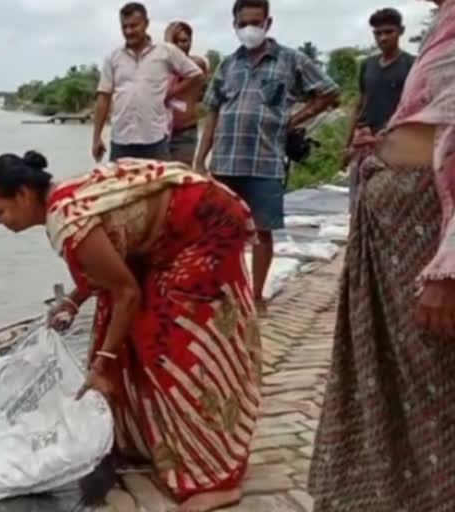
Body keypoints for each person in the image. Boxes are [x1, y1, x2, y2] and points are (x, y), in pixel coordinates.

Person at [0, 151, 262, 512]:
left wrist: (103, 362)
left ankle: (217, 477)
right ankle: (145, 437)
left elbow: (126, 292)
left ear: (22, 194)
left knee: (170, 346)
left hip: (205, 226)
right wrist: (74, 302)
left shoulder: (69, 221)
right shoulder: (62, 203)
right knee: (113, 329)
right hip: (172, 232)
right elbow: (107, 265)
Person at [309, 1, 455, 510]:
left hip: (427, 245)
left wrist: (447, 266)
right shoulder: (445, 21)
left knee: (435, 391)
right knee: (402, 393)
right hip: (397, 240)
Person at [194, 0, 339, 313]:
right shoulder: (228, 65)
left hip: (265, 160)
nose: (250, 29)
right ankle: (223, 290)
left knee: (262, 230)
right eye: (243, 23)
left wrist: (294, 119)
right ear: (234, 25)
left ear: (268, 23)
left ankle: (257, 295)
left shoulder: (290, 60)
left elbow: (329, 92)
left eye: (256, 22)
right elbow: (213, 113)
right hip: (225, 161)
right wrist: (199, 160)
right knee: (220, 231)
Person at [91, 2, 204, 163]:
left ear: (146, 23)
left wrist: (171, 92)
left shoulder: (166, 51)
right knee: (121, 187)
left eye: (134, 26)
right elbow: (103, 97)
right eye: (125, 27)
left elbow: (196, 75)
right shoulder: (113, 57)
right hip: (121, 140)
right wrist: (96, 138)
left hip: (155, 140)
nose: (129, 31)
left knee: (159, 186)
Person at [343, 8, 415, 204]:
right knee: (359, 200)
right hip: (365, 142)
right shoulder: (368, 65)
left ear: (400, 31)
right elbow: (360, 104)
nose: (383, 38)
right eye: (378, 33)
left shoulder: (412, 65)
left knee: (390, 201)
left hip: (395, 144)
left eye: (388, 32)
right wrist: (347, 145)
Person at [164, 21, 210, 165]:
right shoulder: (161, 64)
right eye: (175, 41)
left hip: (184, 134)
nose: (179, 45)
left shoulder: (196, 64)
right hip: (160, 134)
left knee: (180, 179)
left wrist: (168, 46)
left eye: (183, 41)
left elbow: (185, 68)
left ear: (191, 42)